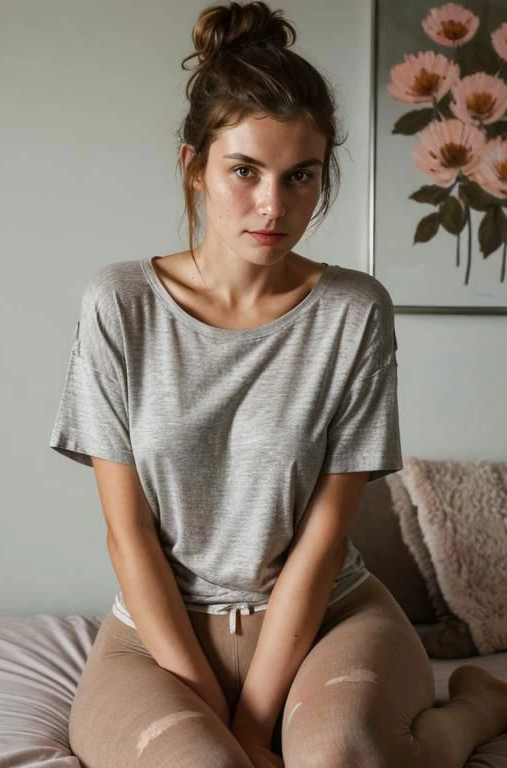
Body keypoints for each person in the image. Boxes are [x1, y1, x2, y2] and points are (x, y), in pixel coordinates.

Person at [49, 2, 507, 767]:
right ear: (195, 166)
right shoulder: (118, 303)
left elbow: (325, 540)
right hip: (161, 632)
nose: (275, 205)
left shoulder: (353, 313)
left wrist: (258, 730)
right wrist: (220, 724)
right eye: (245, 171)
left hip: (331, 618)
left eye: (301, 176)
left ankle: (471, 711)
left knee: (338, 759)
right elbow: (128, 533)